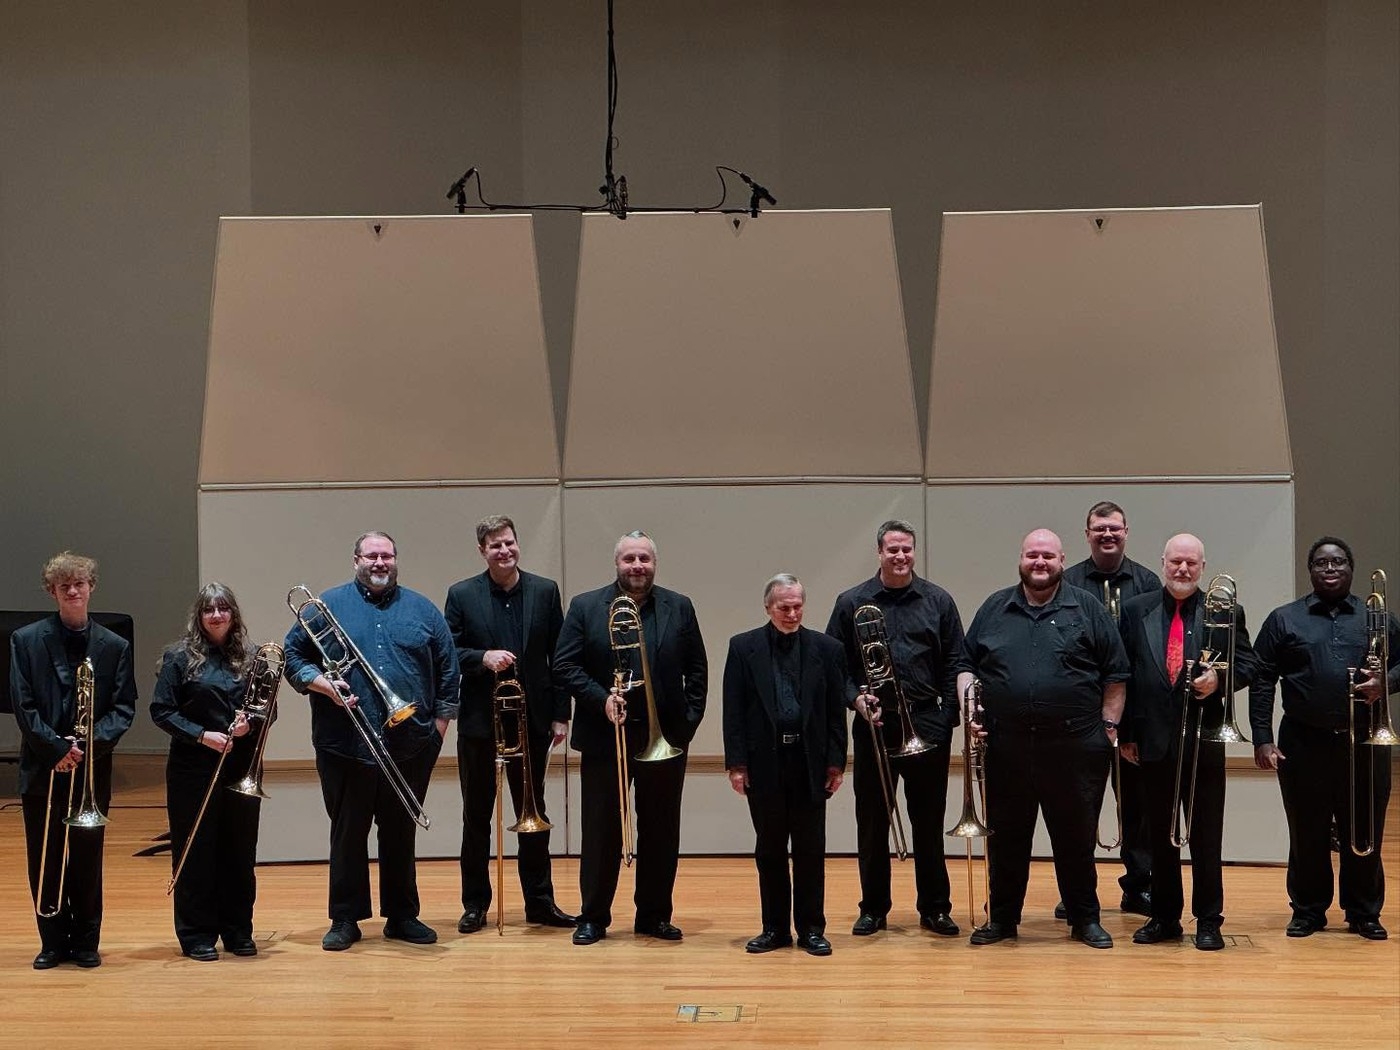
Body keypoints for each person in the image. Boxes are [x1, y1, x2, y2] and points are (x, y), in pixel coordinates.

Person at [284, 531, 459, 951]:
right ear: (356, 560)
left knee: (400, 832)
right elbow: (293, 656)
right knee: (348, 832)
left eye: (387, 555)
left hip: (410, 745)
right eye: (371, 556)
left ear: (396, 560)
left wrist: (437, 732)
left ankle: (402, 916)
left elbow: (448, 672)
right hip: (344, 743)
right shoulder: (326, 606)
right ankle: (345, 918)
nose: (380, 562)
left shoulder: (423, 610)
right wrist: (322, 683)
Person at [957, 529, 1129, 948]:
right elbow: (965, 664)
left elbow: (1117, 672)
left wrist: (1107, 728)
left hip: (1074, 747)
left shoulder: (1086, 607)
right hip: (1007, 747)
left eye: (1048, 556)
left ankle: (1085, 919)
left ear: (1062, 560)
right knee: (1007, 839)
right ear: (1021, 558)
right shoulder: (995, 607)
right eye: (1032, 554)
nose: (1040, 562)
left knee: (1075, 838)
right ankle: (1002, 920)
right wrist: (968, 708)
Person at [554, 530, 707, 945]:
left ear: (655, 563)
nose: (637, 566)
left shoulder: (680, 606)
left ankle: (654, 915)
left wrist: (686, 727)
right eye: (629, 559)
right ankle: (593, 916)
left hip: (664, 738)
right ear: (616, 564)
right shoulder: (586, 607)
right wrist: (600, 699)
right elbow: (564, 666)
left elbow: (697, 671)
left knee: (660, 829)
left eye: (644, 559)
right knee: (601, 829)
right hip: (607, 737)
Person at [1250, 536, 1398, 940]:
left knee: (1363, 827)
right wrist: (1262, 737)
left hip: (1365, 740)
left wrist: (1386, 682)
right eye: (1321, 563)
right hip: (1302, 741)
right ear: (1310, 570)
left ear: (1351, 568)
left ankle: (1363, 911)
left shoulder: (1378, 618)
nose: (1330, 569)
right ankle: (1309, 910)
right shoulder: (1285, 619)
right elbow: (1261, 677)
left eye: (1338, 563)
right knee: (1307, 830)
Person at [825, 519, 964, 938]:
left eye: (906, 550)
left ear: (914, 552)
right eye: (892, 550)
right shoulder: (852, 602)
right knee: (872, 823)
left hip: (925, 722)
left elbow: (956, 660)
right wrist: (855, 700)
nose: (900, 556)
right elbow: (836, 665)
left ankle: (935, 908)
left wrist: (945, 718)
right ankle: (874, 908)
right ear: (879, 552)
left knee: (928, 821)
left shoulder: (938, 600)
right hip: (874, 723)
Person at [1118, 535, 1254, 951]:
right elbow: (1123, 673)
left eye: (1191, 563)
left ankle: (1209, 920)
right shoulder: (1135, 609)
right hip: (1152, 742)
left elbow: (1248, 664)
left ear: (1203, 566)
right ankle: (1164, 918)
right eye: (1176, 561)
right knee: (1158, 837)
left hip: (1204, 740)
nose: (1183, 569)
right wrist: (1125, 735)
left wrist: (1219, 681)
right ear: (1162, 563)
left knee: (1206, 838)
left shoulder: (1225, 610)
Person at [444, 515, 574, 933]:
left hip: (532, 721)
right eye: (495, 545)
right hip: (482, 722)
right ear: (483, 551)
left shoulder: (545, 591)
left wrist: (560, 714)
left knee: (533, 814)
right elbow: (449, 652)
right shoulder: (462, 594)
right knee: (476, 815)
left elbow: (561, 657)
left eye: (510, 543)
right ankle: (475, 904)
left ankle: (539, 902)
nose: (505, 551)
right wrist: (481, 658)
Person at [9, 551, 136, 969]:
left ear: (91, 587)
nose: (73, 591)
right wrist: (58, 750)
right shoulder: (25, 641)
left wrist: (86, 747)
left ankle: (85, 941)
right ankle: (50, 939)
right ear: (52, 592)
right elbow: (23, 706)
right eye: (64, 586)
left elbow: (123, 708)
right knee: (44, 855)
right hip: (45, 765)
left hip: (90, 766)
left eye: (79, 583)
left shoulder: (114, 645)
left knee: (86, 856)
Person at [723, 574, 847, 956]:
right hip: (764, 765)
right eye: (784, 607)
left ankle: (811, 929)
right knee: (770, 850)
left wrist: (836, 763)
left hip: (809, 762)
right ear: (768, 607)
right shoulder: (743, 648)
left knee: (811, 850)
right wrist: (737, 765)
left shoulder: (827, 649)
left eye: (797, 606)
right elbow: (734, 711)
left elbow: (834, 715)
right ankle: (774, 928)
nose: (792, 613)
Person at [151, 583, 271, 961]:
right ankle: (196, 934)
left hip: (241, 766)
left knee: (239, 851)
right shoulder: (177, 657)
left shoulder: (253, 657)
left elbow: (267, 709)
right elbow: (162, 711)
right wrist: (203, 735)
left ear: (233, 614)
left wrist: (249, 725)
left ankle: (238, 930)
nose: (216, 615)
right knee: (195, 851)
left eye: (223, 609)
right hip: (193, 767)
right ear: (199, 616)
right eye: (209, 610)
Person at [1062, 500, 1160, 918]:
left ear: (1126, 532)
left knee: (1137, 808)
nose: (1107, 535)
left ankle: (1138, 887)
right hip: (1080, 714)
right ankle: (1076, 892)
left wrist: (1132, 725)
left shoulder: (1148, 581)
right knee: (1076, 806)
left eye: (1114, 529)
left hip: (1134, 714)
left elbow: (1151, 656)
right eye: (1099, 529)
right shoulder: (1066, 581)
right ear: (1086, 534)